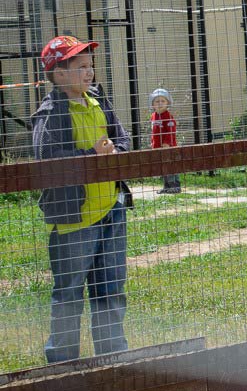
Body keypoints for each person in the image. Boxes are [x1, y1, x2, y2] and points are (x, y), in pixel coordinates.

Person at [32, 36, 132, 363]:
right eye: (80, 67)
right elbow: (48, 158)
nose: (89, 73)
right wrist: (91, 155)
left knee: (111, 293)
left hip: (112, 213)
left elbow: (122, 138)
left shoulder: (97, 100)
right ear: (58, 74)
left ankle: (113, 361)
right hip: (74, 221)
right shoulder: (51, 112)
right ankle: (63, 368)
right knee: (69, 295)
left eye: (90, 66)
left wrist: (118, 151)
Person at [149, 87, 181, 194]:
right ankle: (167, 186)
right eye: (157, 101)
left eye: (163, 101)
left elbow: (171, 130)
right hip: (158, 147)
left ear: (168, 103)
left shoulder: (167, 116)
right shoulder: (153, 116)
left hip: (168, 147)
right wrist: (153, 143)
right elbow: (153, 131)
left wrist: (167, 143)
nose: (160, 103)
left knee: (170, 166)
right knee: (163, 168)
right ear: (153, 104)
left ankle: (175, 186)